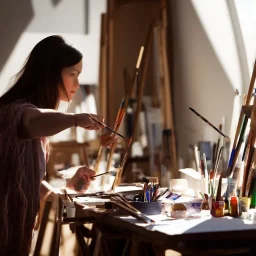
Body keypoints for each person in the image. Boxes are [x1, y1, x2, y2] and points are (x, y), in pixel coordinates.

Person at [0, 35, 117, 256]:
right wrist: (75, 119)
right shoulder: (14, 111)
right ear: (50, 75)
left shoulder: (33, 116)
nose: (77, 84)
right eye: (72, 74)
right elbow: (32, 120)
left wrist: (63, 190)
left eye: (78, 75)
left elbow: (28, 183)